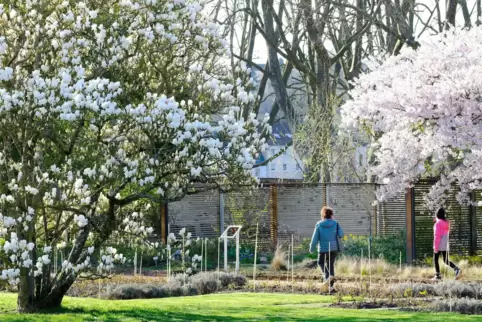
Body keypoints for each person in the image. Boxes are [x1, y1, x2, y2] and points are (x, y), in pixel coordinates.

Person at [309, 206, 344, 292]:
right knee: (330, 265)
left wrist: (311, 248)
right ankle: (330, 285)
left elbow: (315, 238)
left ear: (323, 215)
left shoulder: (319, 224)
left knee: (320, 262)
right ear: (331, 215)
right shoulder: (336, 224)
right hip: (333, 248)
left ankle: (327, 276)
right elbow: (341, 234)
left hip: (323, 249)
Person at [432, 207, 462, 281]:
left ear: (437, 215)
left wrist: (435, 247)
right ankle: (456, 269)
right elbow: (447, 231)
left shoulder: (437, 224)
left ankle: (437, 276)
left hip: (439, 244)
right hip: (446, 244)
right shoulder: (447, 223)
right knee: (446, 260)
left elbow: (437, 236)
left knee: (435, 259)